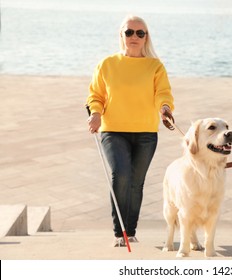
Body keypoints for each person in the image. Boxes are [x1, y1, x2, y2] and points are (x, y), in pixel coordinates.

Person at [86, 15, 175, 247]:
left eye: (139, 33)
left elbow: (162, 93)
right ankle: (119, 233)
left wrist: (165, 108)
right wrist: (95, 113)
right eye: (129, 32)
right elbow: (96, 95)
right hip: (113, 131)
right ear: (121, 36)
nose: (134, 37)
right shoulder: (107, 64)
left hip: (146, 133)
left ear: (146, 37)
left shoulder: (155, 66)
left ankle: (131, 231)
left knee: (136, 182)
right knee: (121, 174)